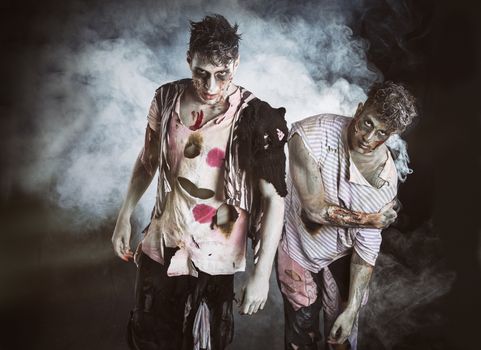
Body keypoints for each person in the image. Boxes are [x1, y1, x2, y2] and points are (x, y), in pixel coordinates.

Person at [111, 14, 288, 350]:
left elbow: (274, 198)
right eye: (201, 74)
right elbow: (148, 161)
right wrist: (125, 216)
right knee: (149, 337)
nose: (211, 87)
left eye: (221, 75)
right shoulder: (166, 99)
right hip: (162, 243)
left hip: (215, 254)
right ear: (188, 60)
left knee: (204, 340)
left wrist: (262, 274)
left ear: (235, 64)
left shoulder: (257, 116)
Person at [277, 81, 417, 350]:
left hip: (344, 257)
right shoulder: (309, 135)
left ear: (391, 135)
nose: (369, 137)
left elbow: (367, 245)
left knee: (341, 337)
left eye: (382, 133)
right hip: (298, 247)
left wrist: (352, 308)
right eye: (367, 123)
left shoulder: (384, 180)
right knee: (300, 337)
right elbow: (314, 210)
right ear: (360, 109)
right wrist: (369, 219)